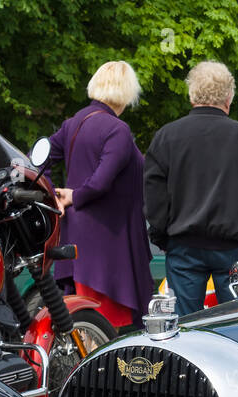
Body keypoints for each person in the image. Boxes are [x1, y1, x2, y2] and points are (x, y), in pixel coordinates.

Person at [144, 61, 238, 315]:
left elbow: (154, 195)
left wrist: (162, 237)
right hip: (235, 247)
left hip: (184, 246)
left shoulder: (167, 137)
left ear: (192, 95)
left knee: (184, 327)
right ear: (228, 96)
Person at [44, 61, 152, 331]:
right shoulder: (118, 130)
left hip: (77, 242)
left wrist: (51, 194)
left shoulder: (73, 123)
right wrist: (73, 196)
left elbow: (37, 162)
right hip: (108, 246)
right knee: (108, 328)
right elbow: (102, 181)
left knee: (86, 325)